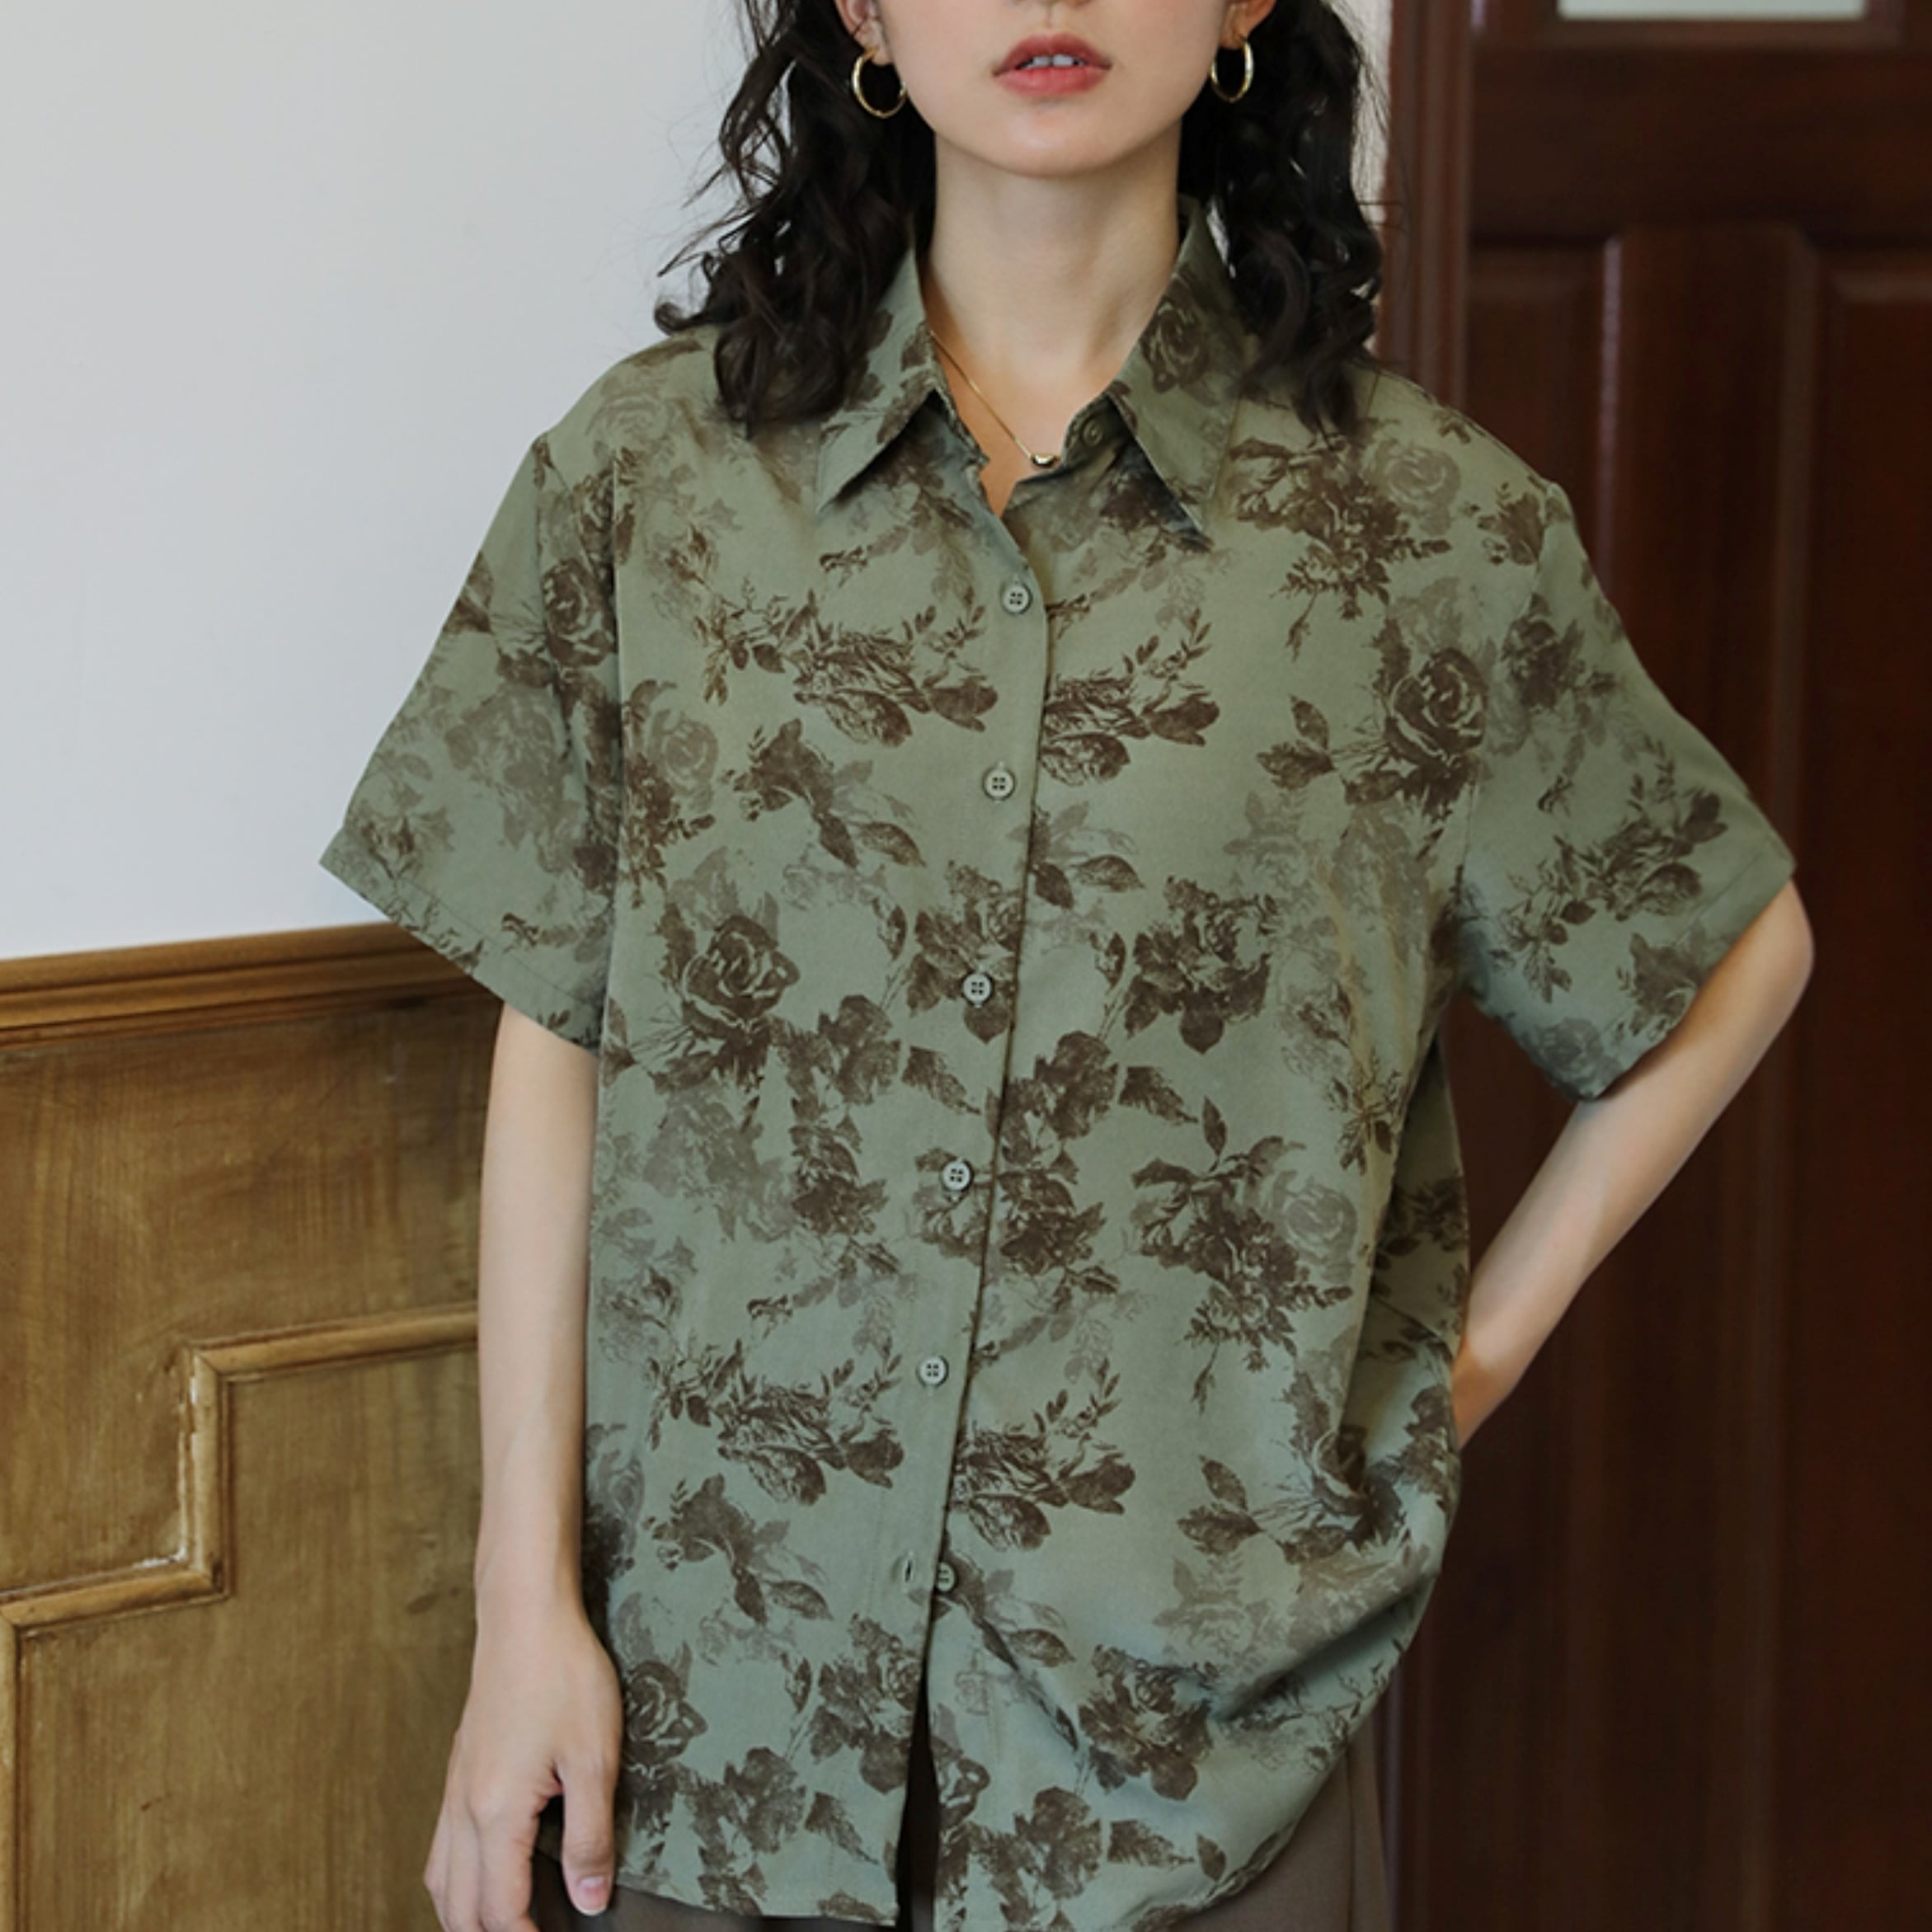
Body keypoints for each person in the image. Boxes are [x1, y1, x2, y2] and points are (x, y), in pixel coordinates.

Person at [317, 2, 1816, 1929]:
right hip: (706, 1732)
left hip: (1188, 1786)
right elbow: (557, 1030)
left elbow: (1728, 947)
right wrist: (520, 1605)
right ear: (864, 13)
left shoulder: (1422, 538)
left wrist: (1452, 1371)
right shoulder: (650, 483)